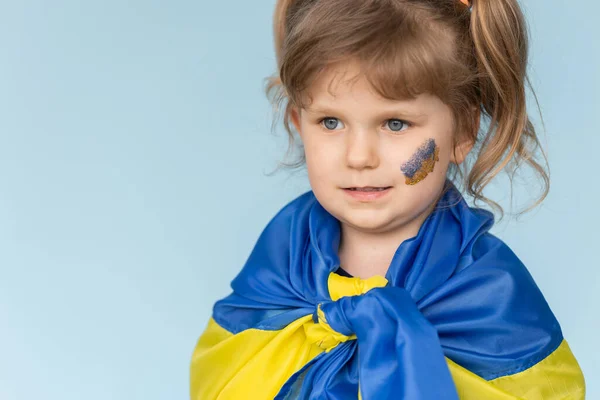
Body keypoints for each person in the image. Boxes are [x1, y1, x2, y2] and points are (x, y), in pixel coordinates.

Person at [190, 0, 586, 398]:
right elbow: (228, 371)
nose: (359, 157)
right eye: (331, 122)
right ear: (298, 123)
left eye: (395, 124)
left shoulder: (487, 291)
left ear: (462, 132)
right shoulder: (283, 257)